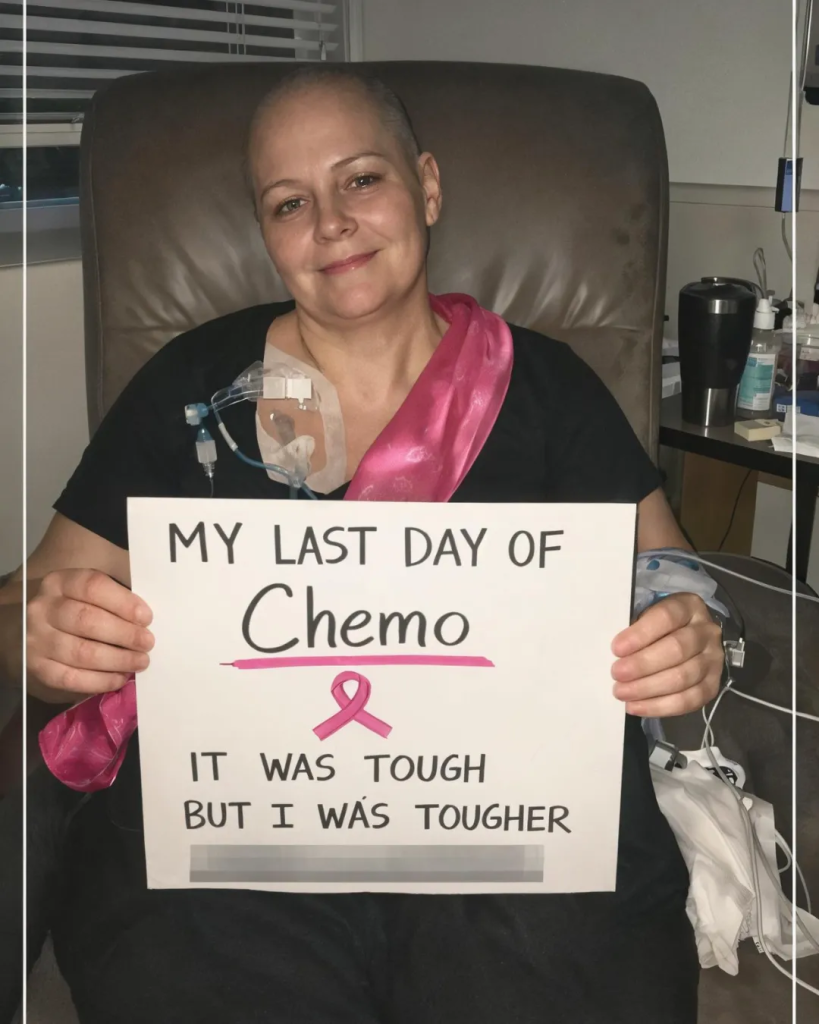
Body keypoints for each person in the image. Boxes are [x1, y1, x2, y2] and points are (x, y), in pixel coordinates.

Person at [0, 67, 723, 1023]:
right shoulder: (189, 388)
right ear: (266, 232)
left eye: (362, 179)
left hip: (512, 843)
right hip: (233, 854)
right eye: (289, 202)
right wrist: (40, 634)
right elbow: (27, 603)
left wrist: (685, 638)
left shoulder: (549, 388)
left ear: (427, 185)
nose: (331, 223)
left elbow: (668, 578)